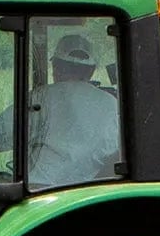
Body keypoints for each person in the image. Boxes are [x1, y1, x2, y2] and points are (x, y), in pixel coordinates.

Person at [23, 26, 124, 187]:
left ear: (56, 66)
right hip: (90, 195)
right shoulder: (112, 105)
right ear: (91, 71)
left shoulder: (40, 97)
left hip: (40, 192)